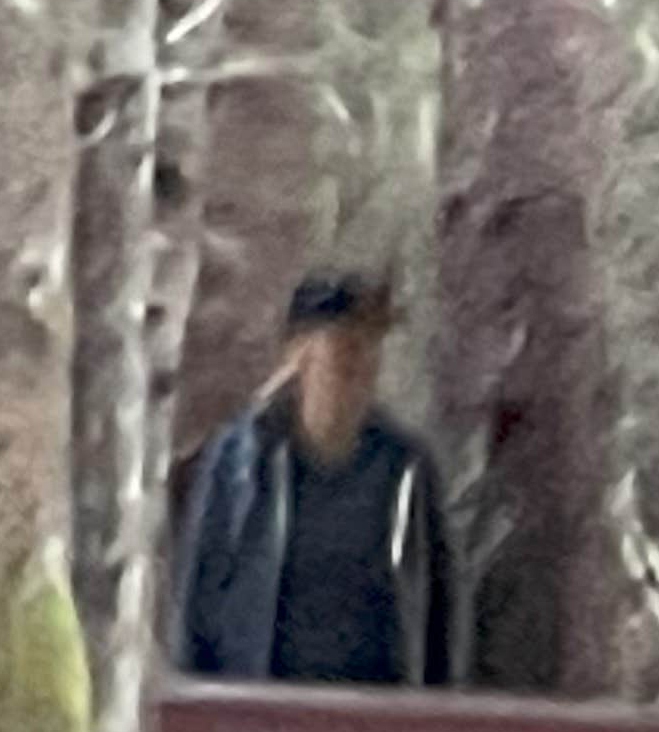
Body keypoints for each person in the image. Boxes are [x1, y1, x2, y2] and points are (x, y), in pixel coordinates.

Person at [170, 273, 461, 689]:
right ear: (300, 356)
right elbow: (198, 600)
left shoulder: (405, 467)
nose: (361, 365)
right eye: (345, 348)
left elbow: (437, 614)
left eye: (371, 347)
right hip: (263, 714)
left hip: (376, 721)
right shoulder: (241, 461)